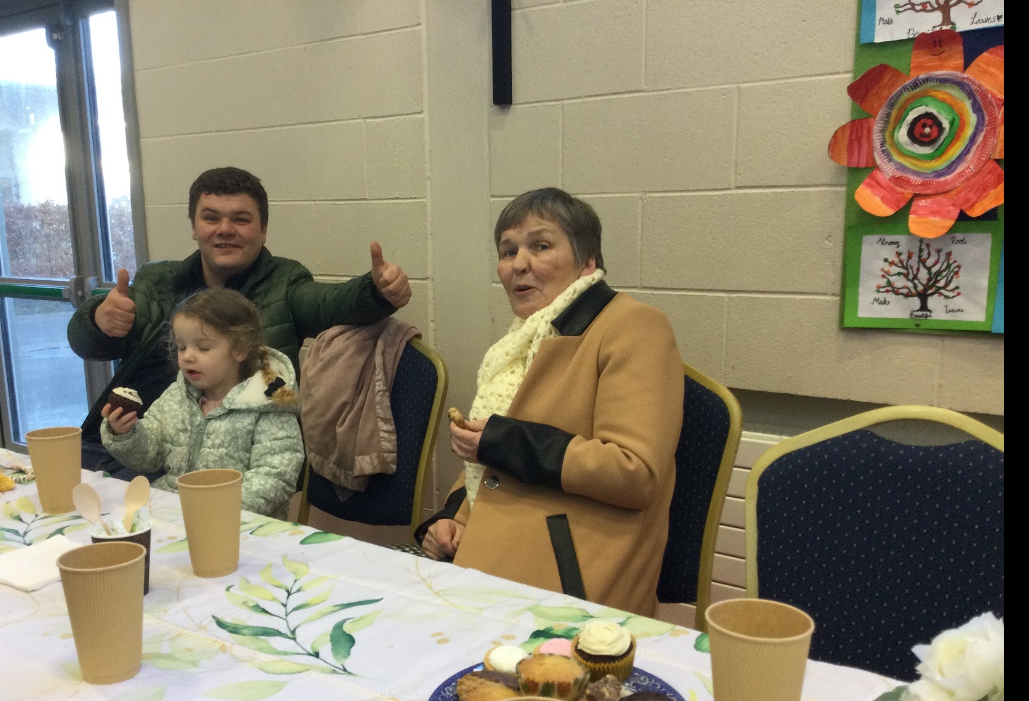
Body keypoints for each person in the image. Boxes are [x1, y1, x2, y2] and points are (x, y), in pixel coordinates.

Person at [412, 188, 683, 617]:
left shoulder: (635, 326)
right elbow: (488, 466)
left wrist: (504, 441)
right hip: (493, 565)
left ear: (587, 261)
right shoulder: (521, 342)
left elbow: (634, 472)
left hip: (569, 592)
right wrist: (450, 518)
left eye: (540, 246)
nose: (518, 264)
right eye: (508, 251)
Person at [68, 166, 412, 477]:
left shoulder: (284, 282)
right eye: (211, 218)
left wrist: (377, 291)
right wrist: (98, 320)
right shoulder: (158, 282)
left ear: (263, 230)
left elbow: (331, 303)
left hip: (212, 460)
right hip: (124, 436)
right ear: (194, 227)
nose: (225, 230)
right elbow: (87, 344)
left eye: (241, 219)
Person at [98, 289, 303, 518]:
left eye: (203, 347)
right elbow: (150, 456)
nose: (187, 356)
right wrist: (125, 433)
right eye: (182, 347)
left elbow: (276, 476)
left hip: (239, 524)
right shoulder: (176, 396)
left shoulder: (267, 404)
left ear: (240, 350)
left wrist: (216, 507)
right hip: (174, 511)